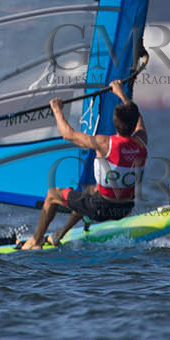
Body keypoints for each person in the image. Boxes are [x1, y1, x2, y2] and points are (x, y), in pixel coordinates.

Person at [19, 80, 146, 251]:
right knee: (88, 192)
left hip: (102, 208)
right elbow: (137, 118)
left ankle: (35, 241)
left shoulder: (104, 143)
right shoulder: (142, 141)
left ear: (115, 122)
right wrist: (121, 94)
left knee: (52, 195)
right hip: (125, 208)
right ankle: (59, 235)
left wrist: (56, 109)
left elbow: (68, 134)